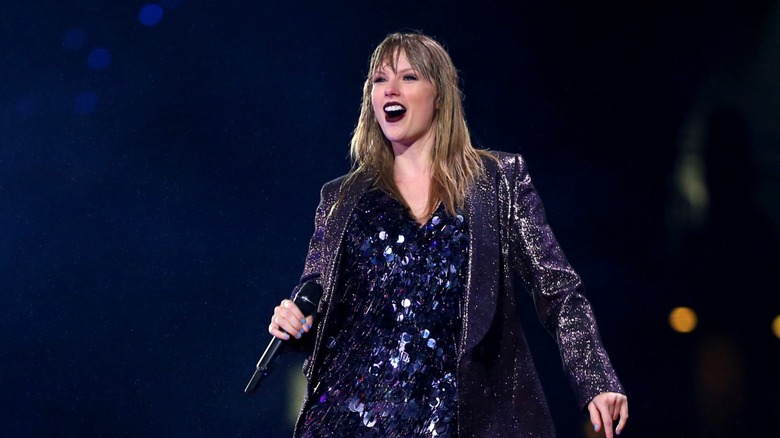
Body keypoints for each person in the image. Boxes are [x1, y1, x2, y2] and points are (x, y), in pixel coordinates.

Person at [267, 31, 628, 437]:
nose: (390, 89)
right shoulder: (342, 198)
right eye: (380, 79)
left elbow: (558, 289)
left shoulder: (497, 182)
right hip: (349, 416)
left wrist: (595, 377)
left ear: (440, 94)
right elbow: (315, 295)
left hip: (455, 416)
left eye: (408, 77)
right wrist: (296, 320)